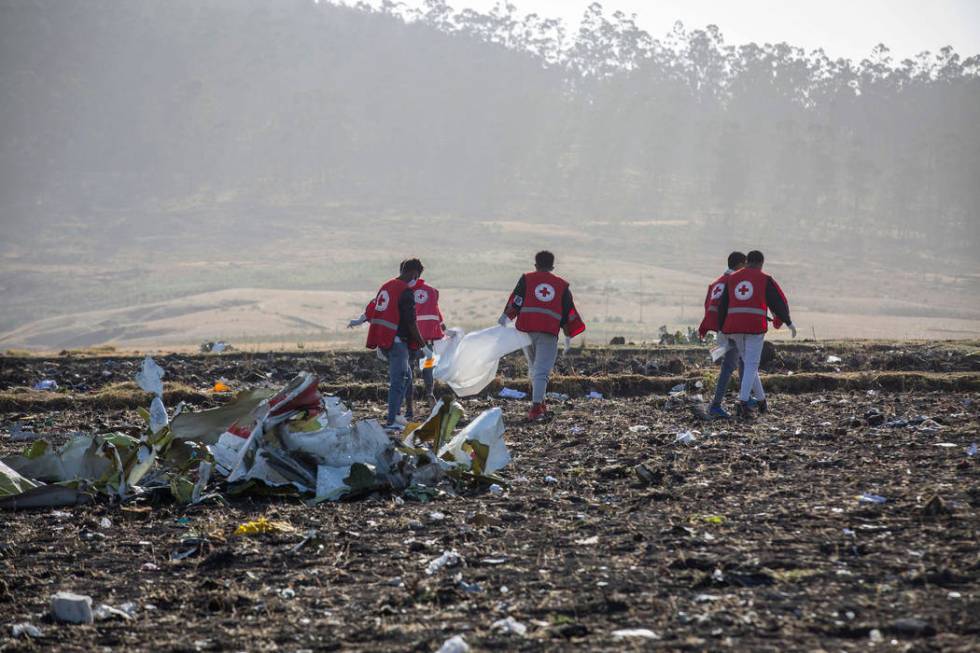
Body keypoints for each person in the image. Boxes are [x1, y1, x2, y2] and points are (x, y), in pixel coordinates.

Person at [499, 250, 586, 421]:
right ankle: (536, 407)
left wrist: (504, 319)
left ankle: (541, 402)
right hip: (548, 332)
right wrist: (568, 336)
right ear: (552, 266)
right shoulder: (562, 285)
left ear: (536, 265)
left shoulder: (526, 279)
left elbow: (516, 300)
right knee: (541, 371)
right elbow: (568, 312)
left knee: (534, 368)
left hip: (525, 331)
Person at [348, 259, 431, 431]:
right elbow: (411, 322)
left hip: (385, 341)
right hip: (397, 343)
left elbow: (373, 307)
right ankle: (391, 420)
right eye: (417, 275)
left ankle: (397, 416)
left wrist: (360, 320)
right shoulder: (405, 292)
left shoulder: (386, 286)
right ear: (414, 273)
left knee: (407, 376)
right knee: (398, 380)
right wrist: (423, 346)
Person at [717, 250, 796, 419]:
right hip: (754, 328)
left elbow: (723, 304)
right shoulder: (764, 279)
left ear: (747, 261)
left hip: (734, 327)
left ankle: (762, 402)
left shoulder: (732, 278)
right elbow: (777, 301)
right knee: (752, 365)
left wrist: (720, 328)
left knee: (749, 364)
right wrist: (788, 322)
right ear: (761, 263)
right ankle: (743, 403)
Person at [698, 251, 746, 419]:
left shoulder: (717, 282)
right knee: (735, 363)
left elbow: (708, 306)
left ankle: (747, 397)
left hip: (721, 329)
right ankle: (717, 404)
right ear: (740, 264)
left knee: (740, 361)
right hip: (731, 328)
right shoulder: (734, 281)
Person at [406, 274, 446, 412]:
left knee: (409, 370)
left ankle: (409, 405)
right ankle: (429, 392)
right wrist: (441, 325)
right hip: (427, 341)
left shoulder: (406, 290)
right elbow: (436, 311)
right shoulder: (432, 291)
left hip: (411, 341)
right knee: (428, 368)